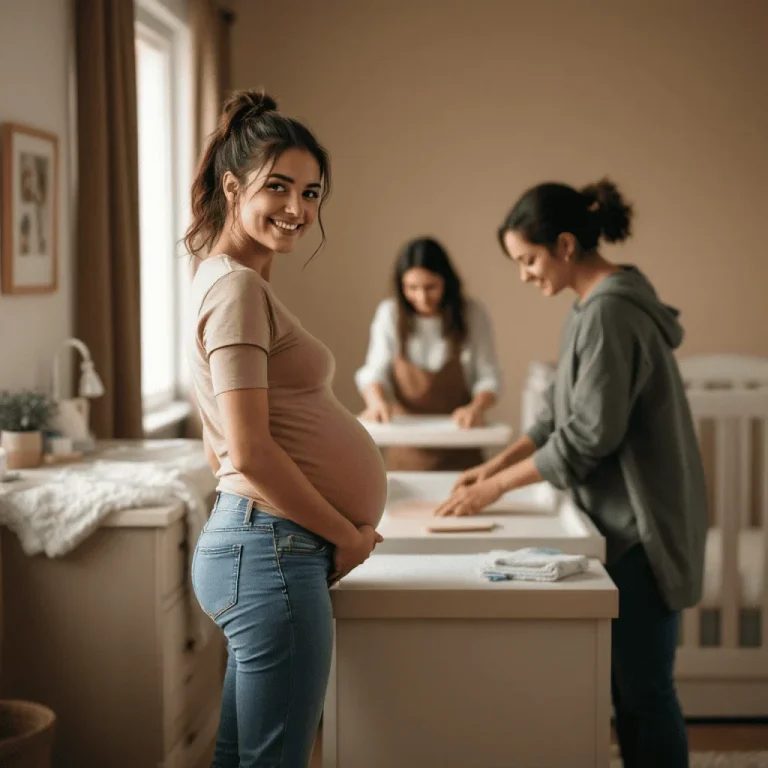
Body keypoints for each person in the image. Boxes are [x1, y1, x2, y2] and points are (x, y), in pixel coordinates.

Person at [435, 179, 707, 768]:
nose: (524, 275)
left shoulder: (610, 312)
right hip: (621, 524)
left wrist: (493, 490)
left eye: (527, 260)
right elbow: (557, 413)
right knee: (628, 690)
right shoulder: (589, 307)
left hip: (642, 527)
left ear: (563, 245)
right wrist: (492, 464)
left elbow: (589, 436)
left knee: (644, 692)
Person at [185, 90, 387, 768]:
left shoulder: (227, 281)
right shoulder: (237, 289)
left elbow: (225, 441)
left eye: (311, 192)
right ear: (232, 185)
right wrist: (347, 533)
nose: (298, 208)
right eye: (279, 187)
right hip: (273, 548)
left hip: (259, 544)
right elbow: (248, 449)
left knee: (244, 756)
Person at [356, 236, 503, 470]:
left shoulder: (472, 314)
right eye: (411, 288)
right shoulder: (390, 314)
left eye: (430, 287)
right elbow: (373, 372)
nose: (422, 298)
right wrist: (377, 402)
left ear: (446, 281)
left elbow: (489, 376)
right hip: (406, 451)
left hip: (462, 450)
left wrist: (476, 408)